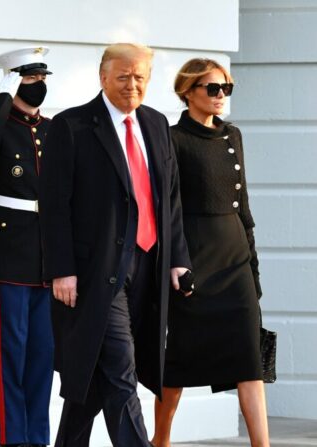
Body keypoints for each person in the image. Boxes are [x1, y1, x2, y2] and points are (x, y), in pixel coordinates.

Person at [38, 43, 192, 447]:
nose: (132, 85)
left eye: (140, 76)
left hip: (149, 267)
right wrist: (61, 269)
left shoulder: (157, 124)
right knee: (121, 371)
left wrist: (177, 260)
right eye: (123, 76)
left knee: (92, 377)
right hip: (96, 271)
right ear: (103, 77)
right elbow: (54, 206)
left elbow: (169, 198)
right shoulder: (70, 126)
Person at [150, 59, 270, 447]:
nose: (221, 96)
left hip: (235, 259)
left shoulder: (232, 136)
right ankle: (161, 440)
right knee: (180, 362)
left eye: (226, 89)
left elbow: (244, 207)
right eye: (212, 89)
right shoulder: (171, 138)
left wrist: (253, 268)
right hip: (195, 258)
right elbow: (166, 207)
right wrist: (174, 261)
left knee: (250, 360)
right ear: (188, 92)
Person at [0, 47, 54, 447]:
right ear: (13, 80)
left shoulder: (54, 129)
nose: (38, 86)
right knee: (10, 352)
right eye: (30, 79)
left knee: (43, 354)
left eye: (42, 79)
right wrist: (4, 93)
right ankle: (11, 439)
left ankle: (38, 437)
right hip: (10, 251)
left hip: (47, 255)